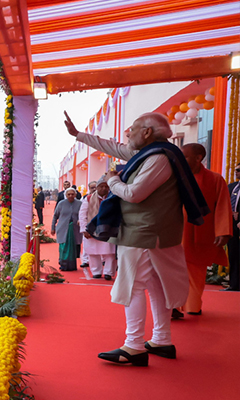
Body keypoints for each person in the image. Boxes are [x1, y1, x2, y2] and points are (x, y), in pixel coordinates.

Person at [64, 111, 208, 366]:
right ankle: (161, 339)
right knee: (157, 286)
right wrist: (79, 135)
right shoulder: (153, 154)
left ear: (147, 132)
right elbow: (114, 147)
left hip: (143, 234)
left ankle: (134, 346)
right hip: (155, 233)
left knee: (132, 286)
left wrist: (113, 180)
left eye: (133, 129)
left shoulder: (158, 159)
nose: (128, 134)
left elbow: (134, 194)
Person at [176, 143, 232, 317]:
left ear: (198, 158)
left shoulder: (215, 179)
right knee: (174, 270)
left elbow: (223, 206)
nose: (180, 160)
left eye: (184, 156)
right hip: (176, 232)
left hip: (202, 233)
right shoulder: (175, 177)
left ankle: (192, 306)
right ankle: (174, 306)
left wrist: (223, 231)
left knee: (196, 271)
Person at [79, 175, 116, 280]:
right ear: (97, 187)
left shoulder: (112, 198)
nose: (104, 188)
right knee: (93, 252)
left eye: (106, 186)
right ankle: (96, 272)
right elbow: (82, 214)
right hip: (92, 228)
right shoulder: (88, 198)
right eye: (101, 186)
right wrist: (84, 229)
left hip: (109, 228)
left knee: (110, 252)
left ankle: (108, 272)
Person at [51, 188, 82, 271]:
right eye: (69, 194)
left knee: (73, 248)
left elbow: (83, 215)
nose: (70, 196)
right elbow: (55, 216)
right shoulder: (61, 203)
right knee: (63, 247)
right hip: (62, 228)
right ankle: (63, 264)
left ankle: (72, 265)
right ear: (66, 195)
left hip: (75, 229)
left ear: (75, 195)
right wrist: (53, 227)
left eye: (72, 194)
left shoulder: (79, 203)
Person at [226, 163, 240, 291]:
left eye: (239, 170)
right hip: (231, 225)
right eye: (236, 170)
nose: (236, 172)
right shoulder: (231, 187)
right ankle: (234, 284)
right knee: (233, 254)